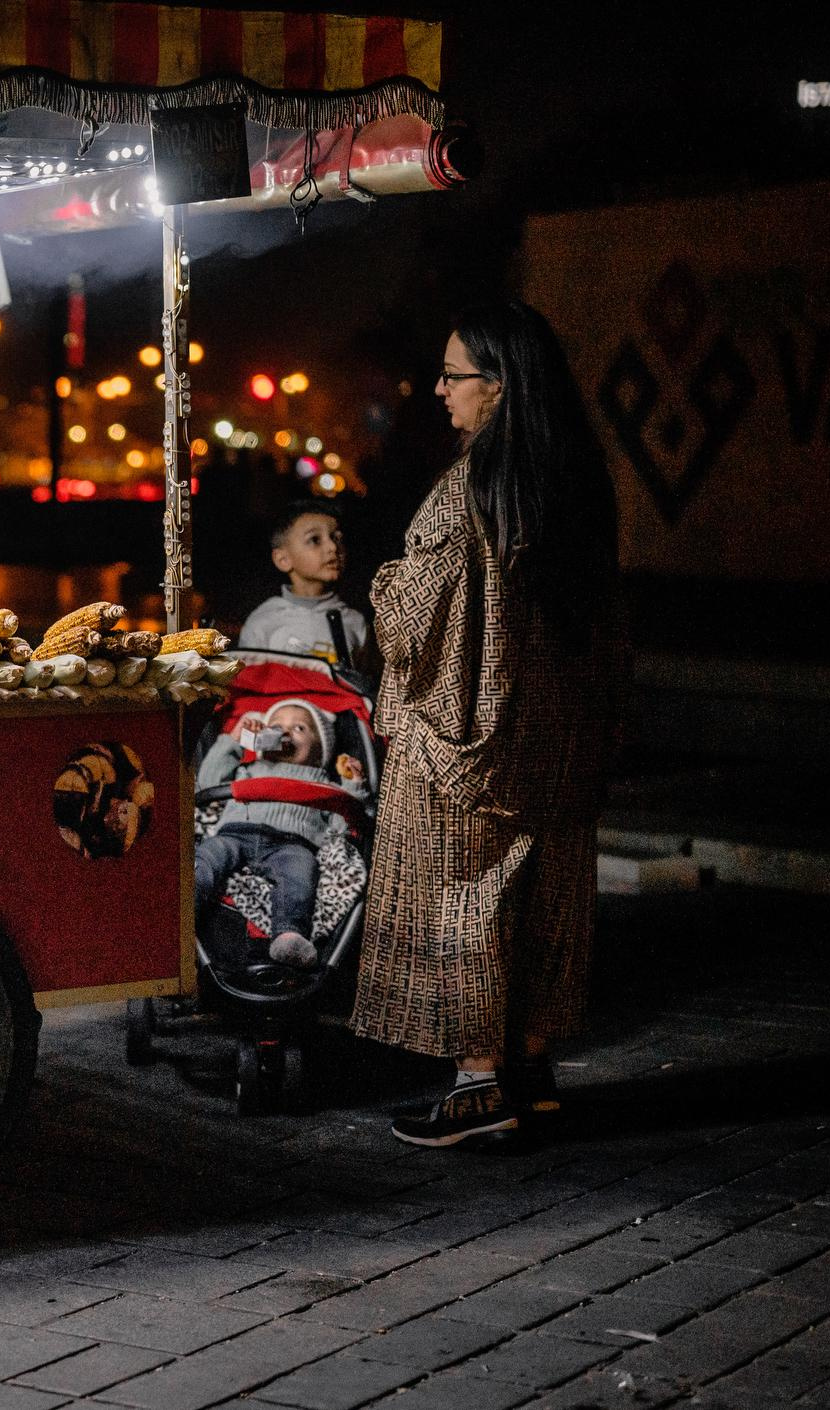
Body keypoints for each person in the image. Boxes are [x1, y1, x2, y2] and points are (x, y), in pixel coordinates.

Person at [350, 300, 624, 1149]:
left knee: (462, 904)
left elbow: (413, 622)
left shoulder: (469, 488)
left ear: (499, 388)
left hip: (470, 744)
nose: (438, 389)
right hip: (560, 737)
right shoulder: (580, 483)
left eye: (453, 375)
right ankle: (531, 1072)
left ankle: (476, 1084)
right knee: (543, 904)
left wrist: (384, 585)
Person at [195, 698, 369, 967]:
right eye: (276, 726)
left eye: (299, 728)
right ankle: (185, 903)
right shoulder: (248, 769)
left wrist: (353, 786)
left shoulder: (322, 780)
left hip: (291, 844)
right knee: (208, 855)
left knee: (300, 873)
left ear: (321, 748)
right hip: (235, 833)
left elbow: (341, 828)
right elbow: (208, 783)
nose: (285, 733)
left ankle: (288, 934)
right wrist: (233, 740)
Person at [238, 499, 377, 679]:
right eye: (315, 540)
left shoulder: (354, 622)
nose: (332, 547)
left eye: (336, 538)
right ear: (283, 559)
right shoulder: (263, 621)